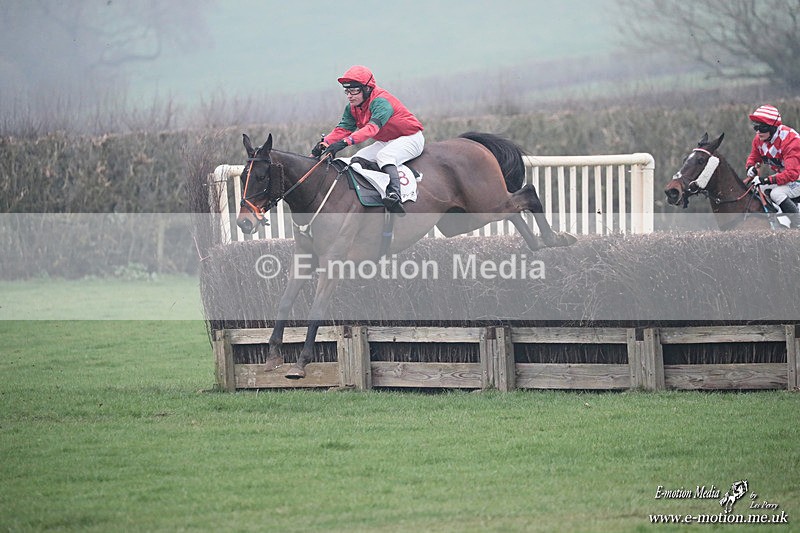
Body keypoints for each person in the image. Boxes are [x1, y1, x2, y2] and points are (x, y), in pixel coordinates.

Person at [312, 65, 424, 214]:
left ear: (367, 88)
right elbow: (343, 130)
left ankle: (394, 195)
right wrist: (326, 143)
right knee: (356, 160)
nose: (349, 96)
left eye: (354, 90)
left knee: (385, 156)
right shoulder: (353, 107)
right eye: (347, 91)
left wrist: (344, 143)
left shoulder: (381, 102)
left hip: (411, 138)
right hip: (387, 141)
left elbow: (371, 129)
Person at [745, 104, 800, 228]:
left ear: (773, 128)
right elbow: (754, 157)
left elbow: (792, 174)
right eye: (756, 127)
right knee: (760, 190)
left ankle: (797, 226)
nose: (758, 132)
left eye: (762, 128)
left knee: (776, 193)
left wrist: (766, 179)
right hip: (785, 174)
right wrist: (750, 167)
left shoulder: (791, 141)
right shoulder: (759, 139)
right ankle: (778, 222)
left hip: (796, 175)